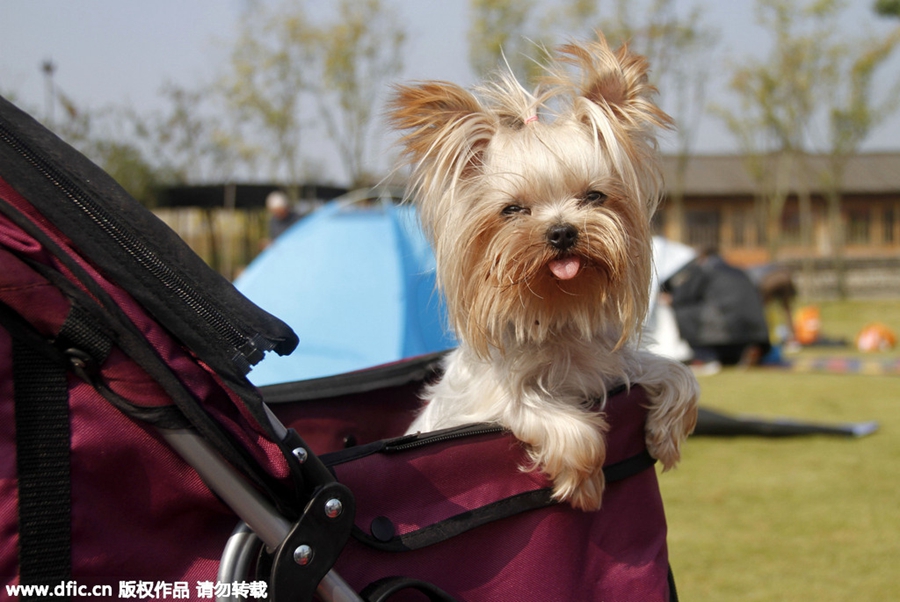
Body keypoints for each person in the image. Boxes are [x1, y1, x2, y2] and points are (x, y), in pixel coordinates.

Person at [666, 247, 771, 367]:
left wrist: (671, 299)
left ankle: (706, 357)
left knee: (683, 312)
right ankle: (743, 353)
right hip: (754, 331)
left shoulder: (703, 269)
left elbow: (683, 297)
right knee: (731, 346)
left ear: (703, 258)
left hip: (723, 328)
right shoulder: (740, 271)